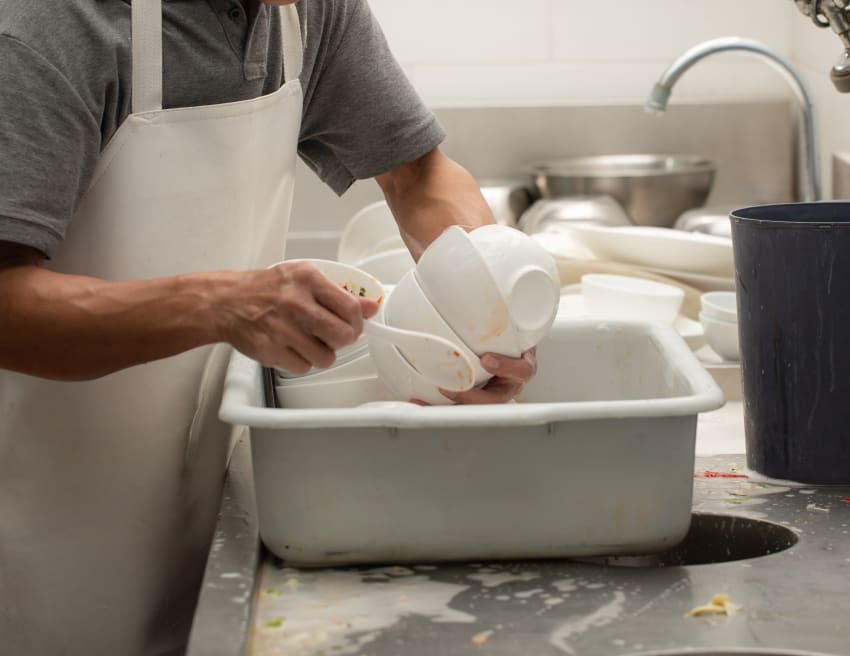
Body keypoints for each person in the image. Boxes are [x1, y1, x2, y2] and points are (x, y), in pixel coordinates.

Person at [0, 1, 537, 654]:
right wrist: (220, 304)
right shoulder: (48, 27)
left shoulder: (306, 11)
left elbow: (417, 172)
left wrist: (484, 292)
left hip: (202, 486)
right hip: (43, 518)